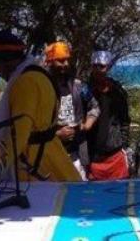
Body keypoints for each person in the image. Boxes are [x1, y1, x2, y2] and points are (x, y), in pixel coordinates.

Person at [0, 31, 79, 181]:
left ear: (4, 61)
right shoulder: (37, 74)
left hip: (36, 164)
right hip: (51, 153)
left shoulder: (25, 83)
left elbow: (19, 135)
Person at [45, 42, 99, 180]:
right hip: (50, 155)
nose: (65, 64)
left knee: (79, 189)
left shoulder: (78, 86)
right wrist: (56, 134)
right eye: (61, 60)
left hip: (77, 154)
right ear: (50, 62)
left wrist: (87, 125)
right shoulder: (43, 88)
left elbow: (94, 106)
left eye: (67, 60)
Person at [86, 51, 131, 181]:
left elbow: (124, 120)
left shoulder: (117, 91)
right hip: (91, 155)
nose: (98, 70)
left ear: (108, 67)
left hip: (115, 154)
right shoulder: (85, 91)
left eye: (101, 66)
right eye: (95, 66)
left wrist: (124, 145)